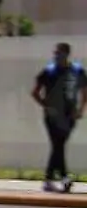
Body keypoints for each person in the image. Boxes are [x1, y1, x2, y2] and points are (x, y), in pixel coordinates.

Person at [32, 42, 87, 192]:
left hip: (69, 115)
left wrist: (81, 110)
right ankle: (64, 178)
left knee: (58, 146)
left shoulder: (77, 71)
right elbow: (35, 92)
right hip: (52, 116)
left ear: (66, 54)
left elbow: (84, 91)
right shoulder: (48, 71)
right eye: (55, 53)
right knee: (58, 145)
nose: (56, 56)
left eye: (59, 53)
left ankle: (49, 179)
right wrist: (46, 106)